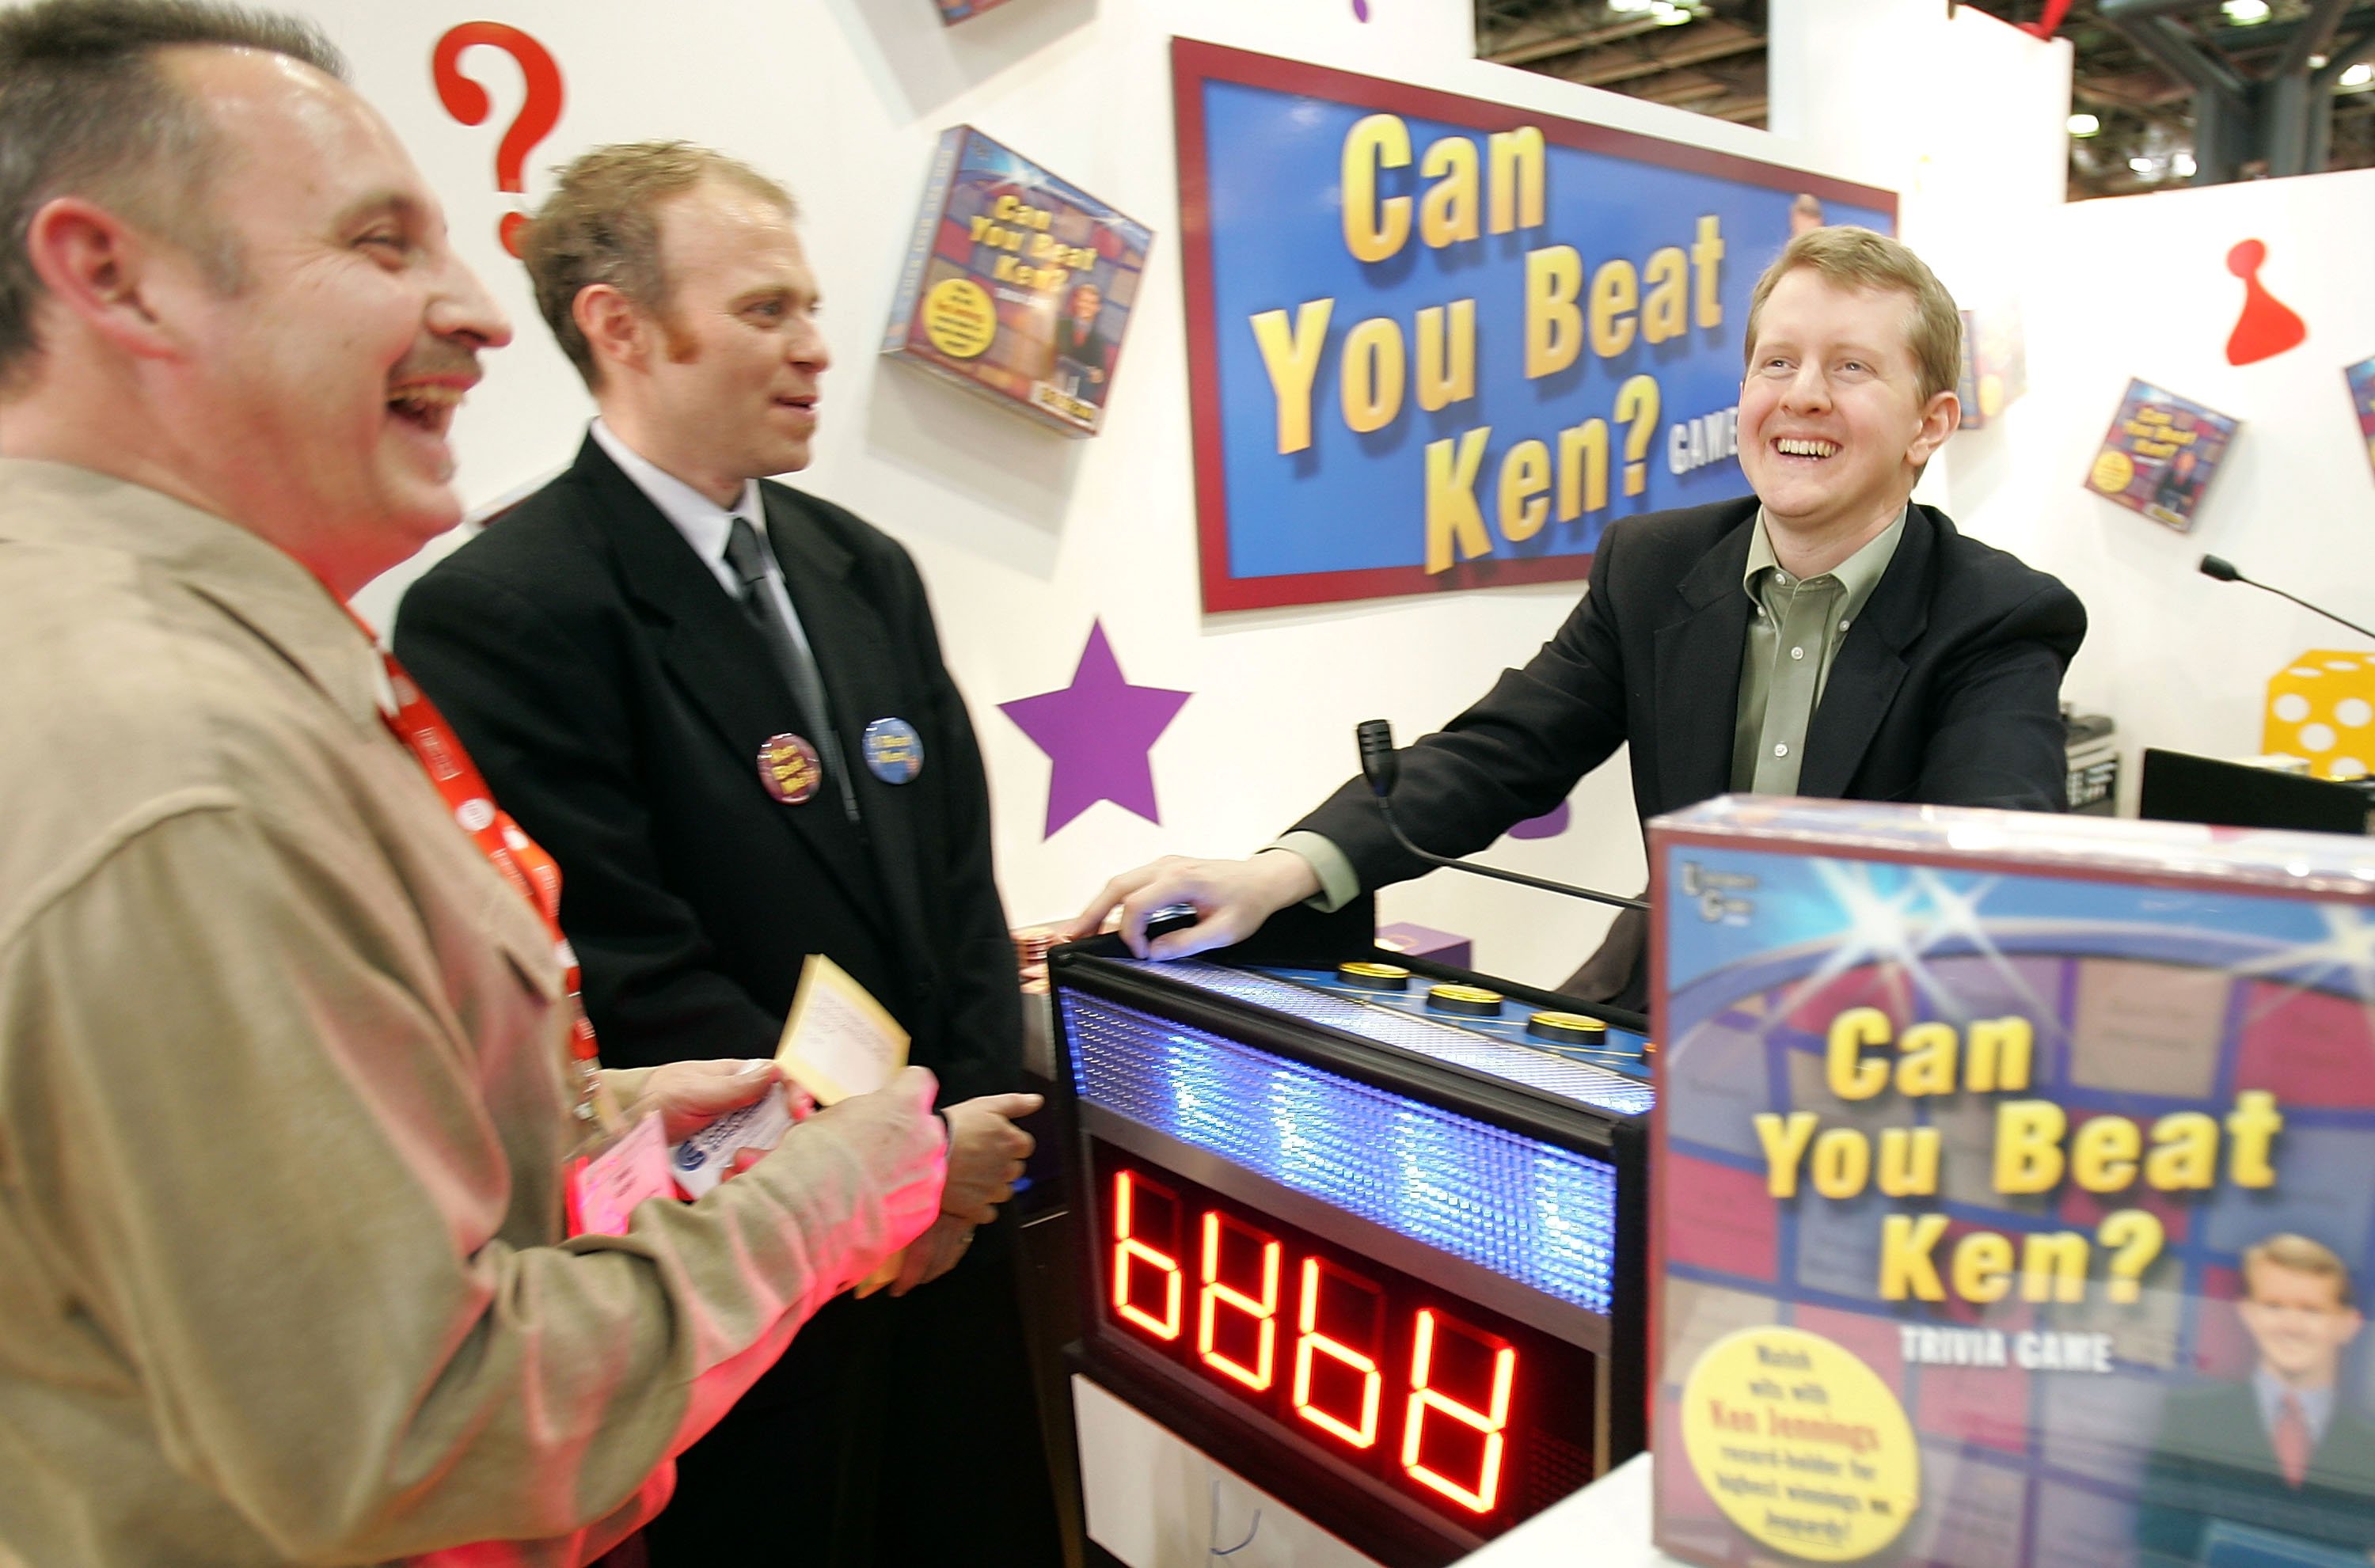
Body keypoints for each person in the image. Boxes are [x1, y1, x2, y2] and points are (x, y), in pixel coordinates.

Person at [0, 6, 956, 1565]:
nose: (478, 313)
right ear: (116, 276)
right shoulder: (172, 762)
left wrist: (586, 1117)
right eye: (382, 244)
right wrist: (830, 1197)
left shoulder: (210, 657)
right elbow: (414, 1423)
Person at [394, 143, 1060, 1565]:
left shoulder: (861, 564)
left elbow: (958, 888)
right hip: (744, 1251)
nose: (815, 347)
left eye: (809, 305)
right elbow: (622, 963)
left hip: (953, 1215)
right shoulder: (506, 608)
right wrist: (878, 1172)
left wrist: (958, 1145)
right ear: (621, 328)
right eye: (765, 310)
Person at [1066, 226, 2084, 1008]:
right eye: (1778, 363)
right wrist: (1279, 871)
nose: (1803, 396)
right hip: (1662, 997)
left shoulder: (1999, 618)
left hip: (1874, 1046)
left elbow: (1993, 881)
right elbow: (1501, 752)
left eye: (1851, 367)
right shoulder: (1652, 566)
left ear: (1930, 424)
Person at [2137, 1235, 2375, 1560]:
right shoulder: (2189, 1419)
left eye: (2312, 1310)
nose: (2291, 1326)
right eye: (2274, 1306)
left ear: (2348, 1324)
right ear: (2247, 1313)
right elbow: (2159, 1554)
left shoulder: (2369, 1447)